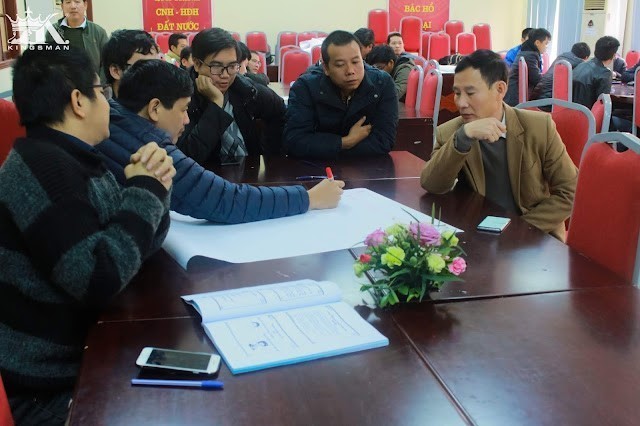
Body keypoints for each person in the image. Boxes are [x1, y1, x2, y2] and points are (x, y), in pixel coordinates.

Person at [0, 48, 174, 424]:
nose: (108, 103)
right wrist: (145, 190)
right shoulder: (42, 170)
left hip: (89, 354)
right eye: (102, 91)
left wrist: (157, 185)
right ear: (79, 101)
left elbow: (134, 247)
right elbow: (98, 278)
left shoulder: (73, 157)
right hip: (46, 388)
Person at [97, 59, 345, 223]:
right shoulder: (149, 149)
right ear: (155, 108)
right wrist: (309, 198)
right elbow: (225, 200)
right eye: (183, 110)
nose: (186, 120)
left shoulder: (115, 120)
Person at [421, 49, 577, 241]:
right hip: (476, 236)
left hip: (532, 237)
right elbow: (432, 185)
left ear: (500, 90)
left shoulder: (538, 127)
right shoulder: (451, 132)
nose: (461, 103)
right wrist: (463, 138)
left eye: (470, 93)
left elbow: (570, 191)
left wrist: (519, 229)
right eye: (457, 93)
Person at [176, 28, 286, 165]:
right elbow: (187, 156)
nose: (225, 75)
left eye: (232, 66)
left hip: (249, 171)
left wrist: (269, 155)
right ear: (197, 64)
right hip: (205, 173)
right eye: (216, 66)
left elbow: (280, 111)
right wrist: (216, 105)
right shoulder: (181, 97)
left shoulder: (245, 89)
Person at [283, 30, 398, 159]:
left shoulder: (382, 83)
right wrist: (345, 142)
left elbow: (384, 141)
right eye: (340, 65)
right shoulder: (305, 87)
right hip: (316, 167)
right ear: (326, 68)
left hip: (366, 167)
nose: (350, 71)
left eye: (356, 62)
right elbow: (295, 141)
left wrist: (327, 148)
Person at [49, 0, 108, 78]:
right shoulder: (53, 31)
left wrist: (100, 83)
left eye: (77, 2)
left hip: (93, 83)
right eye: (68, 2)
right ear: (62, 6)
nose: (73, 6)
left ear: (85, 5)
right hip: (62, 84)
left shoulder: (98, 32)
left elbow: (107, 62)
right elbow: (49, 62)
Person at [102, 29, 160, 98]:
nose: (155, 76)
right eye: (145, 68)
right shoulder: (100, 104)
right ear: (116, 71)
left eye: (158, 67)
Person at [504, 28, 552, 106]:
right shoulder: (530, 55)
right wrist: (550, 79)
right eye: (546, 43)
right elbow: (537, 79)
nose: (547, 47)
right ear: (537, 43)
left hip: (516, 96)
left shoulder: (527, 52)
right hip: (514, 98)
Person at [572, 36, 620, 108]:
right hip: (589, 113)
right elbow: (603, 104)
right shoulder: (605, 73)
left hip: (571, 111)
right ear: (614, 55)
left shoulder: (581, 65)